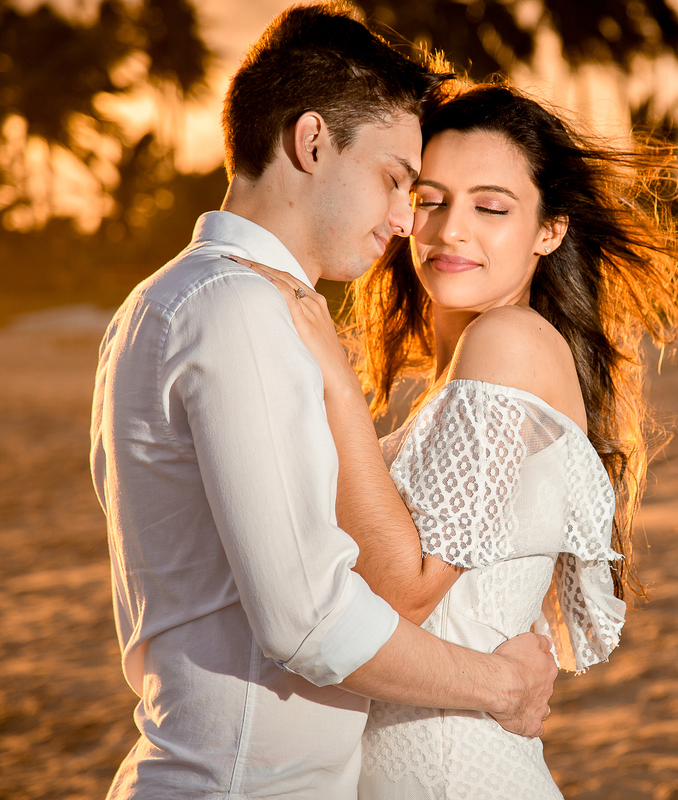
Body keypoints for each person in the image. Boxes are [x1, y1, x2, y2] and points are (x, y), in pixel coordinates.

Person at [88, 8, 557, 799]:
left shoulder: (173, 298)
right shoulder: (234, 306)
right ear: (311, 142)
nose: (408, 219)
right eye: (396, 179)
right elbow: (307, 617)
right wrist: (498, 687)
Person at [232, 82, 678, 798]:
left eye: (492, 207)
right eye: (430, 200)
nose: (452, 229)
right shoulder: (461, 374)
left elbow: (405, 588)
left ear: (549, 231)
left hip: (454, 776)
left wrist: (334, 380)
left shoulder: (509, 343)